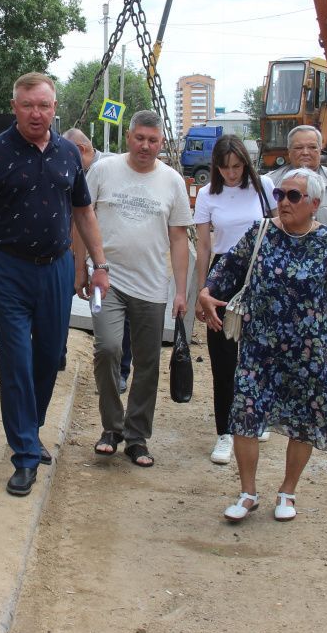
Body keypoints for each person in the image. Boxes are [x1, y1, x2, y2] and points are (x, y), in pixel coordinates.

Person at [0, 73, 110, 498]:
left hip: (56, 270)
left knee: (50, 358)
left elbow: (84, 213)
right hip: (8, 270)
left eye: (44, 105)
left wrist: (98, 264)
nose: (37, 113)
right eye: (28, 105)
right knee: (16, 360)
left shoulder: (69, 153)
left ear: (55, 108)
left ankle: (31, 431)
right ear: (15, 107)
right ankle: (25, 455)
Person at [197, 167, 327, 522]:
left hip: (311, 352)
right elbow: (227, 268)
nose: (284, 202)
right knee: (245, 414)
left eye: (294, 196)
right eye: (280, 194)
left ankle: (288, 492)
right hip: (260, 346)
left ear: (314, 204)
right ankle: (247, 493)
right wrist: (207, 292)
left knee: (304, 421)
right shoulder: (260, 232)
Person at [76, 110, 191, 468]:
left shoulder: (172, 182)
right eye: (140, 138)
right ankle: (112, 428)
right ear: (129, 137)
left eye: (153, 140)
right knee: (108, 349)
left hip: (153, 285)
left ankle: (137, 436)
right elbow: (82, 217)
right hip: (106, 280)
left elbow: (178, 238)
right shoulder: (104, 171)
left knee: (147, 363)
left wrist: (181, 291)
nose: (145, 146)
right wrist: (80, 267)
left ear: (161, 143)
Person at [192, 136, 276, 465]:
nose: (231, 173)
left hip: (260, 273)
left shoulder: (264, 186)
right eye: (225, 167)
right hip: (223, 274)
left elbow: (280, 226)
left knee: (259, 352)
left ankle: (257, 417)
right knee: (223, 354)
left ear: (246, 162)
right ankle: (225, 431)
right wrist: (203, 291)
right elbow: (203, 246)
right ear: (216, 166)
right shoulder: (207, 195)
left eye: (237, 166)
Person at [64, 128, 132, 392]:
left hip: (111, 256)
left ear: (81, 150)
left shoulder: (108, 169)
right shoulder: (83, 170)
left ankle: (120, 371)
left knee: (119, 316)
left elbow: (87, 216)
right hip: (84, 251)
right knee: (64, 296)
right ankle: (58, 353)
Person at [267, 125, 327, 244]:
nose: (305, 152)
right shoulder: (270, 183)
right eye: (298, 147)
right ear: (289, 151)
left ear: (320, 149)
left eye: (312, 147)